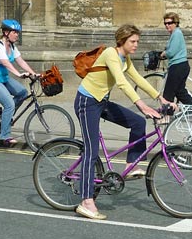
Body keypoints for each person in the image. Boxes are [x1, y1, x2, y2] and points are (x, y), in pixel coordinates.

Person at [74, 24, 176, 220]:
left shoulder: (125, 58)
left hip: (101, 101)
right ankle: (86, 201)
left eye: (137, 41)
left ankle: (130, 165)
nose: (136, 45)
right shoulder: (112, 54)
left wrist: (160, 98)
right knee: (91, 151)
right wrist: (142, 105)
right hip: (87, 102)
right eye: (133, 41)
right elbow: (121, 82)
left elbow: (137, 78)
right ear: (122, 41)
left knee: (138, 123)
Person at [0, 19, 39, 147]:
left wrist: (34, 73)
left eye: (17, 32)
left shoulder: (12, 47)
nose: (17, 35)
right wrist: (18, 74)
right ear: (6, 32)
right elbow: (5, 62)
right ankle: (4, 136)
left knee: (22, 92)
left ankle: (6, 118)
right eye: (14, 32)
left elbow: (21, 61)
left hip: (3, 79)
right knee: (9, 104)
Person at [160, 12, 192, 105]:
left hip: (177, 66)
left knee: (168, 95)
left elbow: (172, 52)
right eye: (165, 23)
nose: (167, 25)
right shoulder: (175, 33)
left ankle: (166, 118)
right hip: (181, 66)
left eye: (169, 23)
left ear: (175, 23)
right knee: (180, 93)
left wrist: (164, 53)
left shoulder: (176, 33)